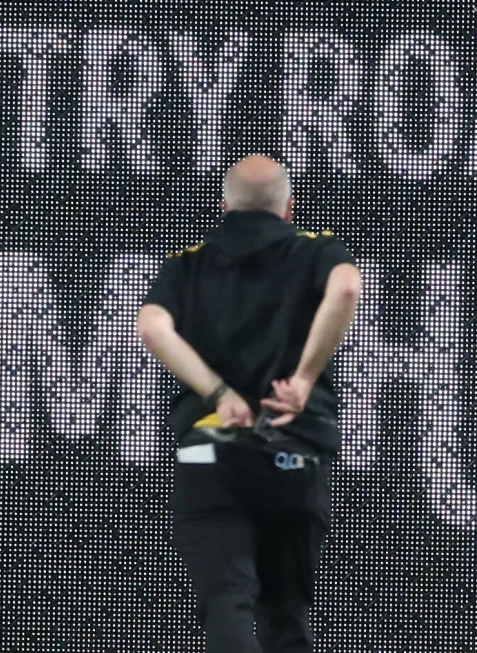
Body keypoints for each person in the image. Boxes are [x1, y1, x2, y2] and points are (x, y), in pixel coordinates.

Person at [137, 155, 362, 653]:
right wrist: (302, 381)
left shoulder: (188, 262)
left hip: (208, 456)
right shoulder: (316, 249)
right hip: (294, 450)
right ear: (289, 209)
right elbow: (347, 285)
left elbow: (152, 326)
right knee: (286, 615)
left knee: (226, 608)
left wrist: (219, 395)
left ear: (224, 206)